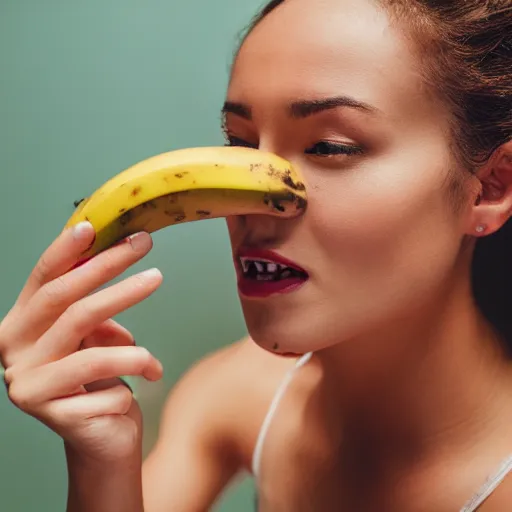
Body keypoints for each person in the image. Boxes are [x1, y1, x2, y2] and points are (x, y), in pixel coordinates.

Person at [1, 0, 511, 510]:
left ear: (490, 187)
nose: (255, 198)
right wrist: (99, 459)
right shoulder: (239, 393)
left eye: (330, 147)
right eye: (241, 147)